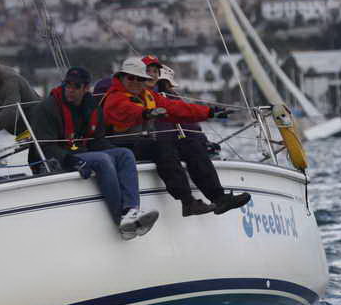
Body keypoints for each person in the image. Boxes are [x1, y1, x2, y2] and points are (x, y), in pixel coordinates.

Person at [102, 55, 250, 216]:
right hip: (122, 145)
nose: (136, 82)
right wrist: (147, 113)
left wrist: (210, 112)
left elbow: (176, 108)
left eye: (140, 78)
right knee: (163, 145)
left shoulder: (148, 95)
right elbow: (125, 110)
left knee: (190, 144)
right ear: (122, 78)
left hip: (143, 143)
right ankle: (187, 202)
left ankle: (219, 198)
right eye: (131, 78)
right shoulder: (114, 97)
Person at [30, 66, 159, 240]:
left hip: (82, 151)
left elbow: (97, 141)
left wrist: (115, 153)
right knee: (103, 159)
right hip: (60, 157)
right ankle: (121, 219)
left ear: (86, 88)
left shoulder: (92, 107)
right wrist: (71, 160)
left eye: (76, 86)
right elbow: (45, 147)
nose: (70, 89)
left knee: (125, 154)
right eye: (67, 84)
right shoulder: (48, 107)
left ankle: (131, 210)